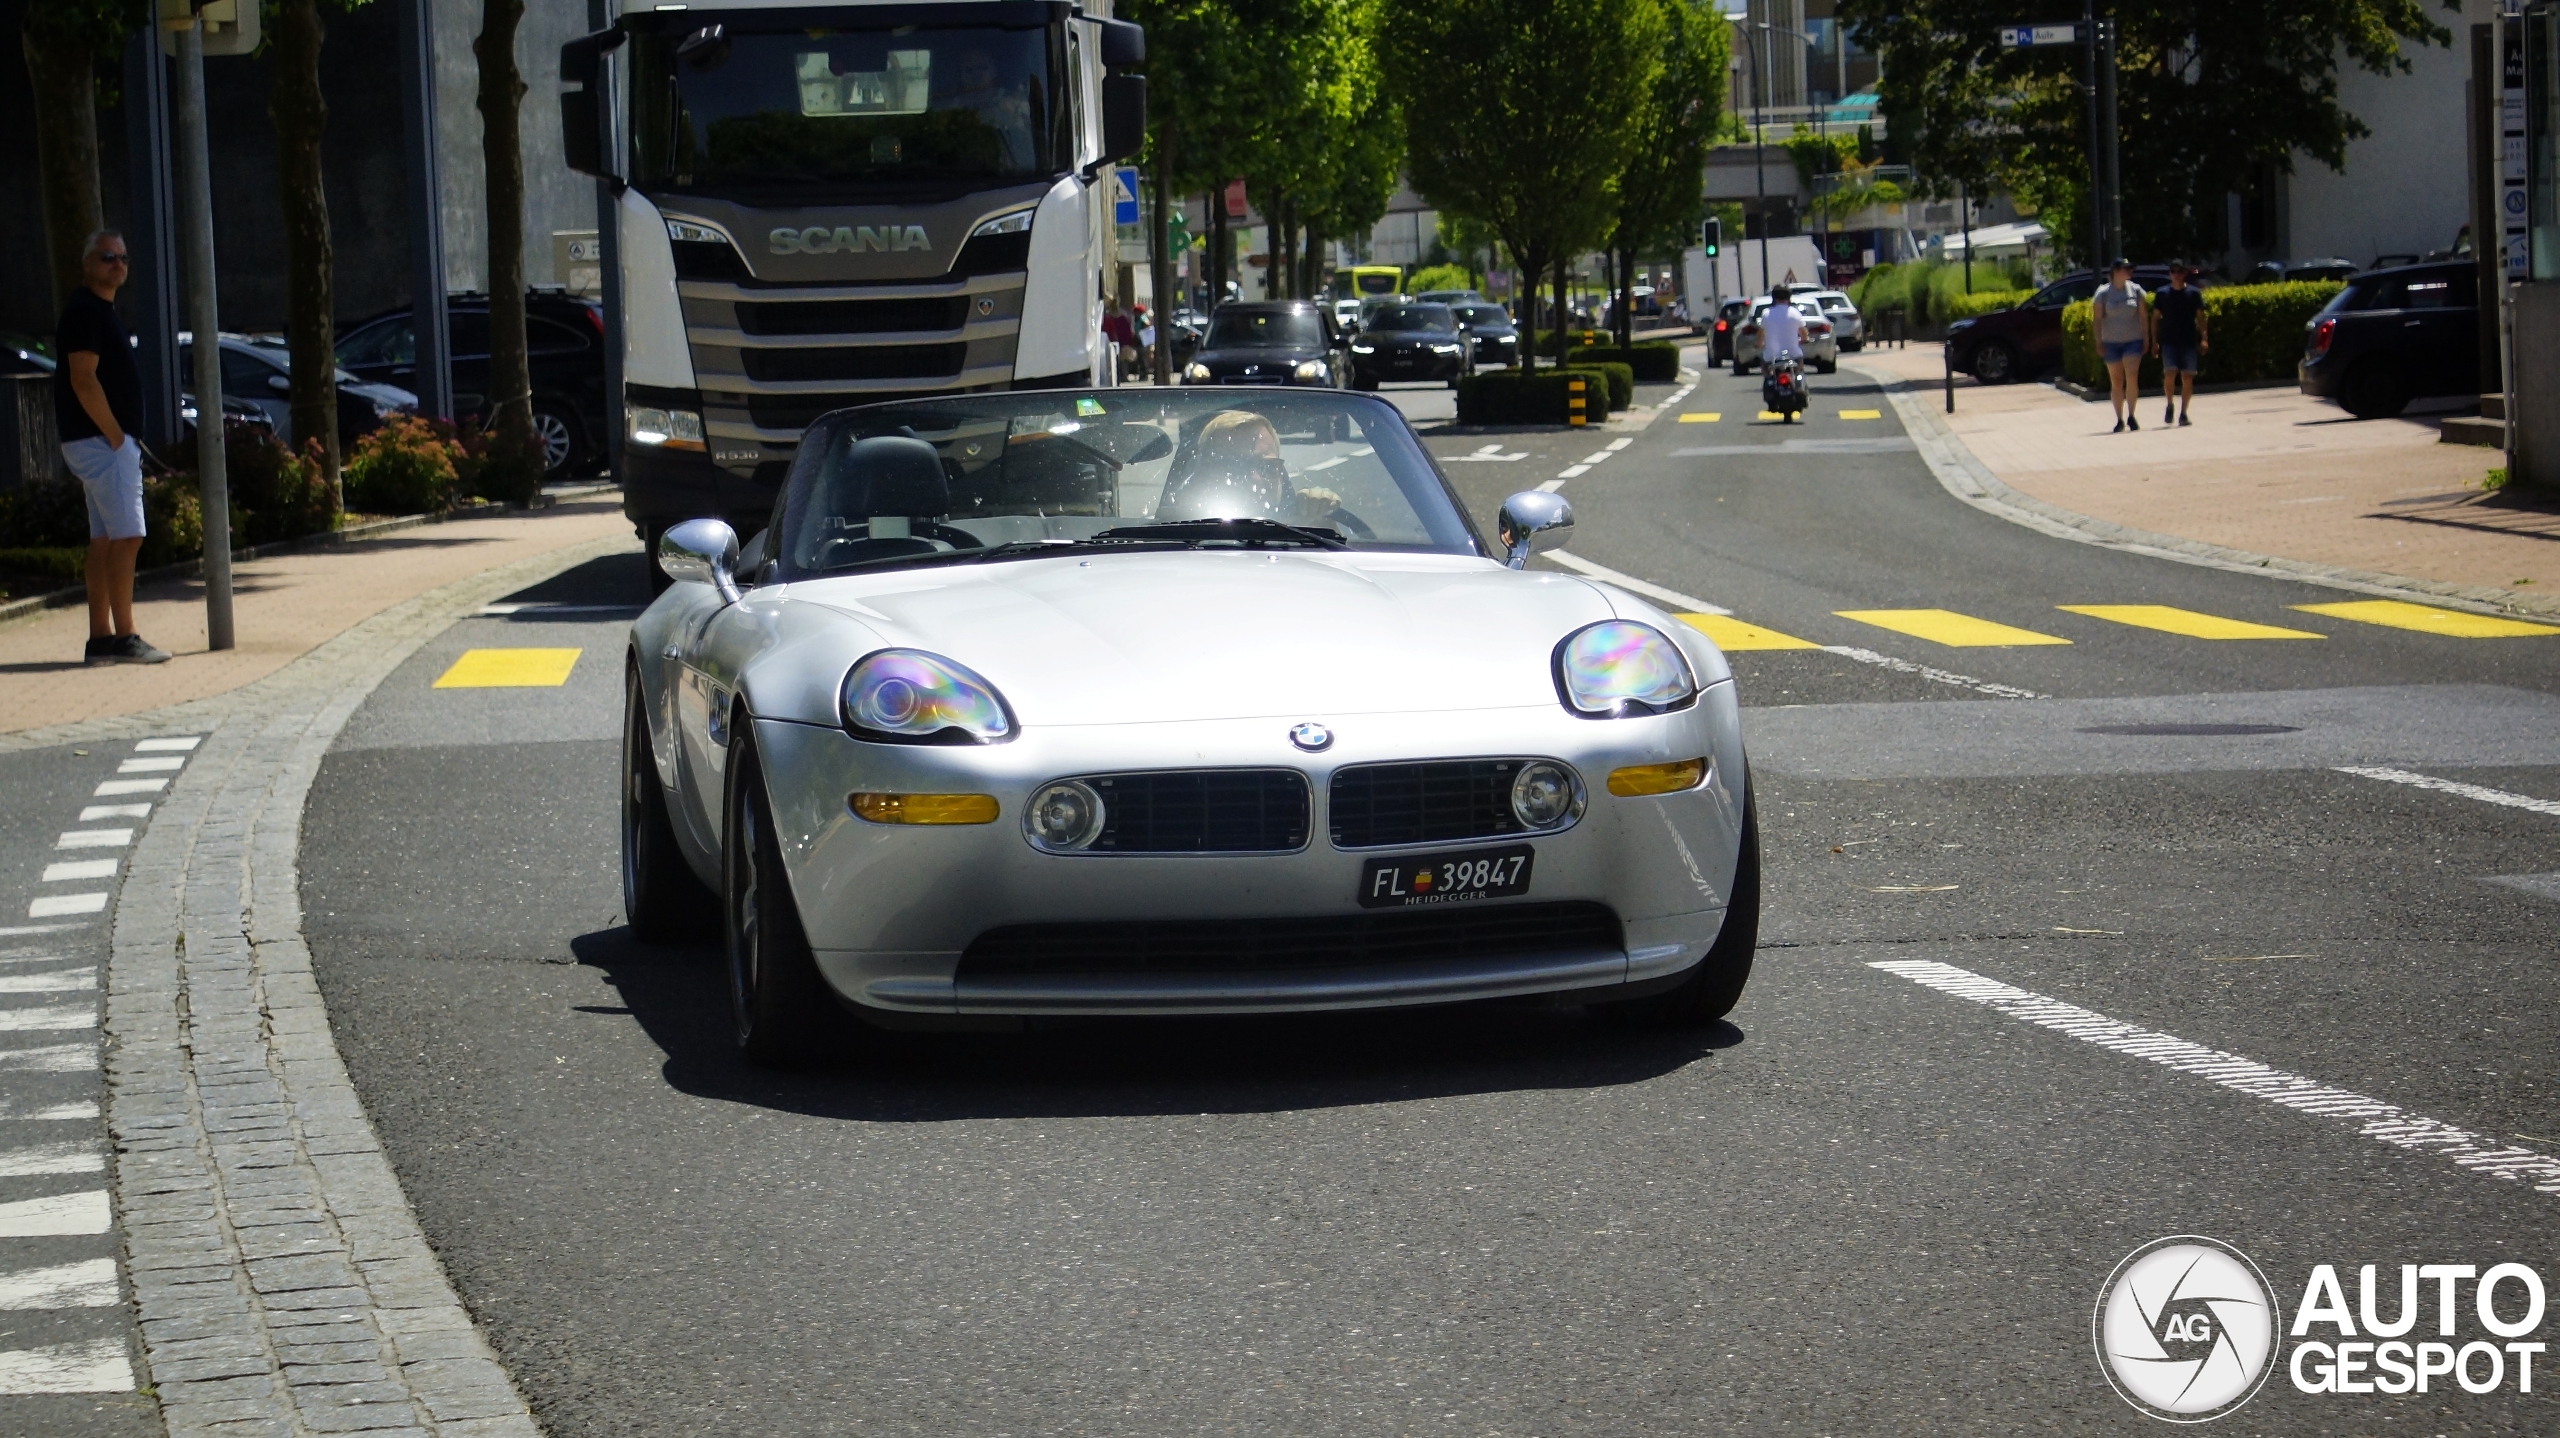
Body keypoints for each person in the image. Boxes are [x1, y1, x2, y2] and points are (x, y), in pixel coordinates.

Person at [55, 229, 170, 665]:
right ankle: (126, 637)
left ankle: (100, 638)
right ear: (87, 263)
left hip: (97, 442)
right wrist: (117, 436)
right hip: (102, 443)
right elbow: (82, 378)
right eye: (107, 257)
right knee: (129, 536)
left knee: (104, 539)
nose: (117, 264)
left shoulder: (98, 311)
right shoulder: (86, 312)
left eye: (123, 258)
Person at [2091, 258, 2149, 433]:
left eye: (2130, 268)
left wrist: (2146, 339)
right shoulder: (2103, 293)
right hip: (2111, 342)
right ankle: (2119, 418)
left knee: (2131, 376)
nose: (2129, 271)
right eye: (2125, 268)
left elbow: (2143, 317)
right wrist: (2098, 341)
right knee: (2116, 381)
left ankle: (2131, 415)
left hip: (2133, 340)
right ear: (2115, 271)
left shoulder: (2136, 291)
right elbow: (2097, 319)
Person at [2154, 262, 2208, 426]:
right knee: (2170, 373)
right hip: (2169, 341)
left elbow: (2201, 318)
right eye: (2173, 271)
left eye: (2179, 271)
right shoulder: (2162, 294)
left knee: (2187, 377)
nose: (2176, 274)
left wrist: (2204, 338)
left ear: (2185, 273)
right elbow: (2155, 319)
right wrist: (2154, 341)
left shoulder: (2193, 294)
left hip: (2188, 341)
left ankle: (2183, 413)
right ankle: (2170, 404)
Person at [1757, 284, 1804, 366]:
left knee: (1764, 363)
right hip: (1793, 354)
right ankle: (1798, 377)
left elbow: (1761, 334)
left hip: (1772, 355)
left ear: (1774, 298)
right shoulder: (1795, 313)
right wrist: (1804, 339)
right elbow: (1803, 333)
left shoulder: (1766, 313)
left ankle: (1768, 378)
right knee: (1799, 363)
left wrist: (1759, 343)